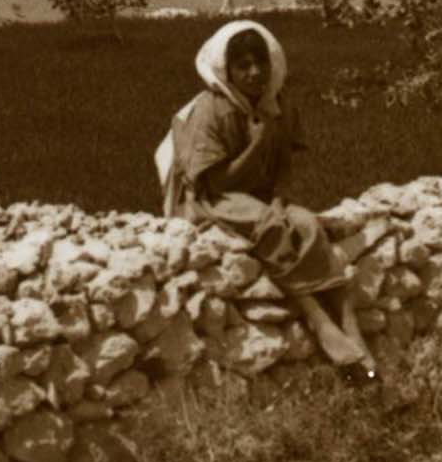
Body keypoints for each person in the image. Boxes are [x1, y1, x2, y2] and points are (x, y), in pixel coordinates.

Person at [155, 20, 376, 379]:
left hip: (257, 196)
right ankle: (318, 320)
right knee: (271, 226)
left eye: (260, 63)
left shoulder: (277, 105)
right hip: (212, 198)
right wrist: (258, 144)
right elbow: (217, 181)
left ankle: (351, 328)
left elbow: (284, 165)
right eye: (242, 65)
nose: (254, 72)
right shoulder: (211, 109)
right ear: (227, 70)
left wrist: (279, 197)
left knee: (304, 223)